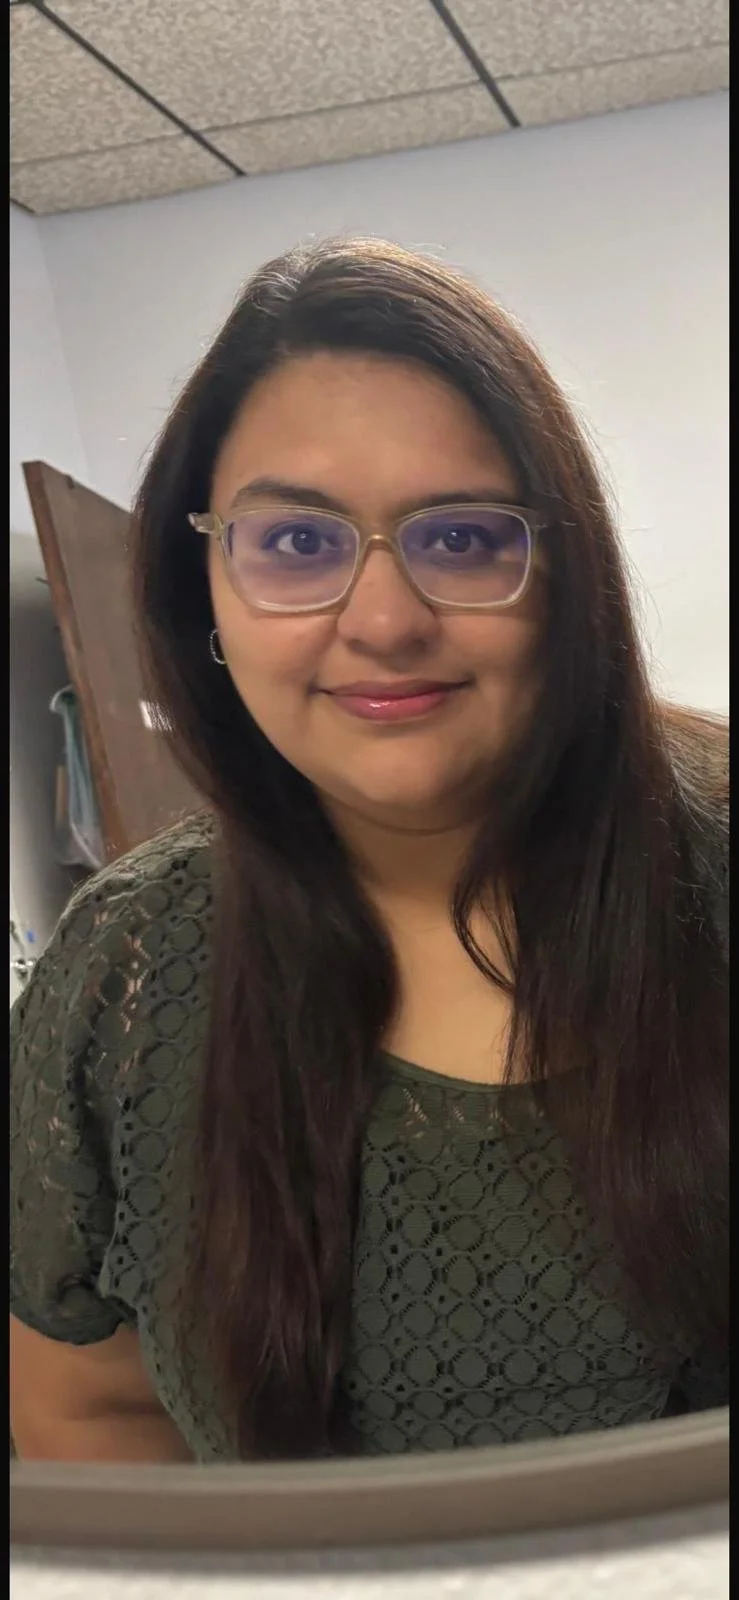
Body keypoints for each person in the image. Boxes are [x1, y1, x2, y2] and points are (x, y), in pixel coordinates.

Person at [10, 238, 728, 1466]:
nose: (385, 621)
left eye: (464, 538)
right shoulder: (123, 972)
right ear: (203, 591)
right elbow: (88, 1406)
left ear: (565, 576)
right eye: (296, 545)